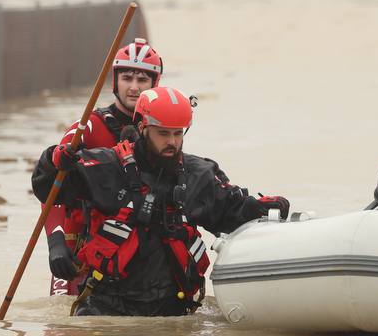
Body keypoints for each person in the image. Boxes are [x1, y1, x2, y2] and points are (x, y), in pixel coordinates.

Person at [32, 85, 291, 316]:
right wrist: (52, 162)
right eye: (163, 134)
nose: (172, 142)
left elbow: (231, 212)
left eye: (178, 134)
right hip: (107, 309)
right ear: (143, 127)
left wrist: (260, 208)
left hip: (175, 310)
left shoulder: (198, 175)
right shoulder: (106, 166)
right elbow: (49, 190)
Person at [45, 37, 163, 295]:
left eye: (142, 80)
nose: (134, 87)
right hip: (84, 249)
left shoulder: (162, 130)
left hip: (137, 252)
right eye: (127, 78)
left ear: (154, 84)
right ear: (115, 81)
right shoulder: (85, 129)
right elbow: (51, 189)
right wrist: (55, 242)